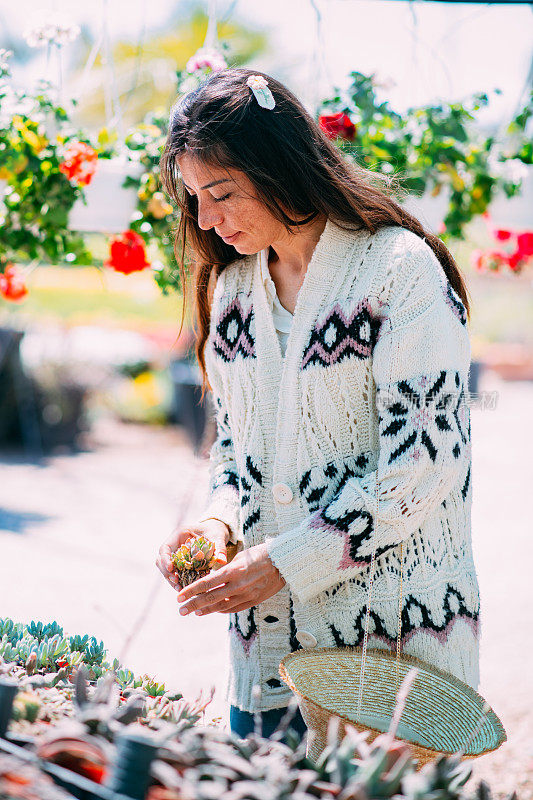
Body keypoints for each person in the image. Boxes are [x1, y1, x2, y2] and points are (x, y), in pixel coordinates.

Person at [155, 67, 480, 742]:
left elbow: (424, 465)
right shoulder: (234, 290)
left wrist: (284, 562)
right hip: (261, 658)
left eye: (222, 193)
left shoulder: (397, 271)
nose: (207, 219)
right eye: (195, 199)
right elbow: (234, 451)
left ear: (280, 169)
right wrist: (216, 527)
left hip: (384, 656)